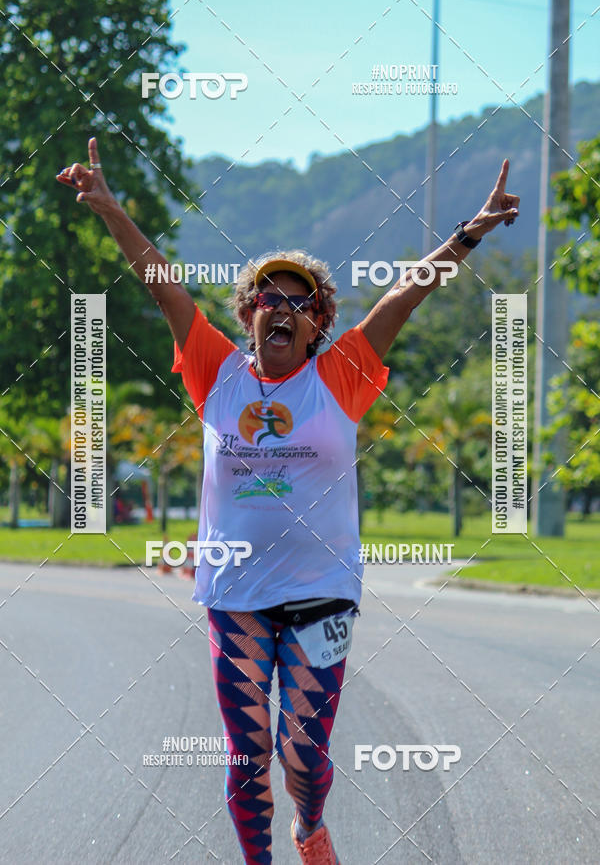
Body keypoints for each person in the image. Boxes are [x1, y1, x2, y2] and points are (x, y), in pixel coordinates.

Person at [57, 138, 519, 865]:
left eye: (296, 299)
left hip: (322, 593)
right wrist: (113, 210)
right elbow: (162, 284)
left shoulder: (343, 376)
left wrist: (471, 229)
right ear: (247, 314)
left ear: (318, 320)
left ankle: (309, 826)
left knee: (302, 756)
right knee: (247, 755)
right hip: (235, 593)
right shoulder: (214, 371)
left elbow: (408, 291)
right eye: (267, 296)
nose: (280, 306)